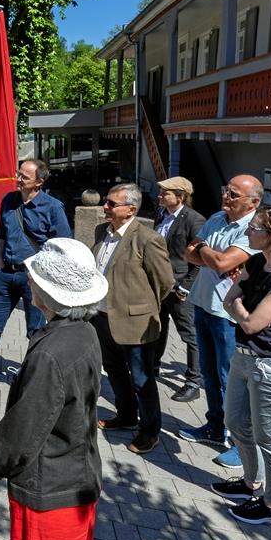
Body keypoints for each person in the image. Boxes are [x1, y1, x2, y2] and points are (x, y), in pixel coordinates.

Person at [0, 238, 106, 540]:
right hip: (78, 475)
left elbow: (25, 427)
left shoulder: (51, 352)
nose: (29, 284)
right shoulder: (83, 331)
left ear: (48, 292)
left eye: (34, 279)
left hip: (48, 483)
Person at [211, 206, 271, 525]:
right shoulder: (256, 262)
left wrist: (238, 305)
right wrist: (239, 306)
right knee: (236, 422)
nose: (249, 232)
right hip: (244, 357)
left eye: (255, 227)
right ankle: (251, 483)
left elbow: (252, 322)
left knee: (270, 438)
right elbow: (232, 302)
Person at [0, 159, 71, 391]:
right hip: (6, 276)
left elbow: (64, 245)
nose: (18, 179)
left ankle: (34, 382)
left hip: (34, 280)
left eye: (24, 177)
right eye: (18, 174)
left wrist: (45, 277)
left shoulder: (53, 207)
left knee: (35, 333)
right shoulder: (9, 200)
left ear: (39, 182)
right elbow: (2, 232)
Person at [178, 175, 262, 469]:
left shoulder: (256, 227)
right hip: (204, 303)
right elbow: (192, 253)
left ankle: (242, 444)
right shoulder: (216, 217)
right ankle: (215, 426)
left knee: (232, 379)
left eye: (234, 195)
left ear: (254, 202)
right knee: (210, 374)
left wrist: (207, 252)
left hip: (229, 314)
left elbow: (222, 263)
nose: (226, 197)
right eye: (226, 190)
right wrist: (210, 254)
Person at [91, 183, 174, 454]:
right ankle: (126, 415)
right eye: (106, 201)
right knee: (114, 371)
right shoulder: (102, 232)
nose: (106, 206)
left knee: (142, 378)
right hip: (102, 316)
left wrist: (142, 307)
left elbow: (164, 282)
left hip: (135, 323)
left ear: (131, 210)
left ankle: (150, 430)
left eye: (112, 204)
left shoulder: (147, 239)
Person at [152, 176, 206, 402]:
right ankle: (152, 365)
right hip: (159, 284)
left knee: (189, 334)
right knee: (157, 327)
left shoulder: (194, 220)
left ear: (180, 196)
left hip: (180, 287)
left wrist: (186, 286)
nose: (160, 196)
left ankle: (194, 380)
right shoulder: (162, 215)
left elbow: (200, 260)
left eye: (165, 193)